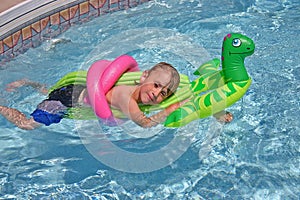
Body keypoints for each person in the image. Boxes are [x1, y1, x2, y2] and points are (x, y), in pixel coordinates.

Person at [0, 62, 232, 130]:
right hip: (67, 101)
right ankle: (2, 107)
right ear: (143, 78)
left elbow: (190, 94)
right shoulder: (125, 96)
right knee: (29, 125)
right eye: (156, 85)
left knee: (47, 90)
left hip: (80, 93)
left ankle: (29, 83)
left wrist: (215, 111)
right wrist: (171, 109)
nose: (157, 93)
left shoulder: (146, 91)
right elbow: (145, 123)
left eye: (165, 93)